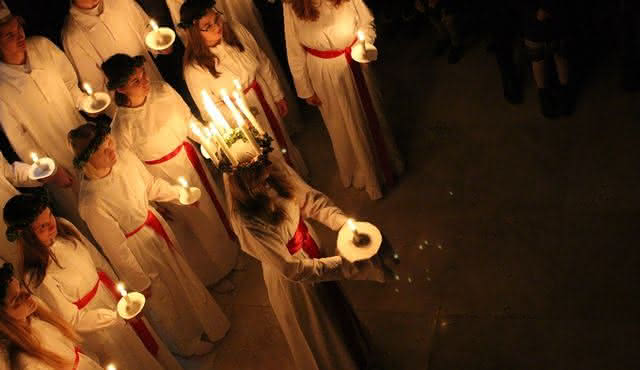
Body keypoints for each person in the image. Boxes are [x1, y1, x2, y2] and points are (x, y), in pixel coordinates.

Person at [68, 123, 230, 356]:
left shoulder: (123, 160)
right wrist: (139, 280)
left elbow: (151, 187)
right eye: (103, 151)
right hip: (137, 247)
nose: (112, 151)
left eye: (110, 144)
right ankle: (185, 342)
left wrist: (179, 195)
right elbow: (116, 248)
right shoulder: (91, 202)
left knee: (181, 277)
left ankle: (207, 321)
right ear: (87, 161)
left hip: (154, 226)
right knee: (163, 296)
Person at [224, 143, 385, 369]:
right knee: (320, 328)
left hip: (312, 250)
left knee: (335, 311)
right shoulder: (245, 219)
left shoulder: (270, 167)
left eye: (267, 169)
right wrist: (344, 264)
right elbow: (292, 269)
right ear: (246, 182)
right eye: (261, 177)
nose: (269, 175)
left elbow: (311, 202)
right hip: (294, 283)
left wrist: (344, 224)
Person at [103, 53, 239, 289]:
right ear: (121, 89)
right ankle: (213, 274)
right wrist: (155, 200)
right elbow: (132, 170)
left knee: (212, 207)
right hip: (163, 176)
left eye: (142, 74)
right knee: (193, 226)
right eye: (135, 81)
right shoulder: (122, 126)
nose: (144, 81)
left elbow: (187, 121)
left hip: (188, 158)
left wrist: (213, 142)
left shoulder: (163, 90)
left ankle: (231, 253)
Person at [2, 192, 181, 369]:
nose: (51, 226)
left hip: (111, 298)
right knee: (130, 359)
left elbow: (99, 263)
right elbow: (72, 319)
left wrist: (122, 297)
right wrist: (115, 317)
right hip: (98, 328)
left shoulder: (65, 228)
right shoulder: (36, 276)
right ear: (27, 237)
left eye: (50, 217)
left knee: (145, 347)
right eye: (42, 227)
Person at [284, 0, 403, 200]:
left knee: (371, 113)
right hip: (324, 73)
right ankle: (361, 172)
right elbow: (294, 49)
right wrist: (305, 88)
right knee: (341, 124)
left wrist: (364, 45)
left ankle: (385, 162)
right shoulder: (291, 6)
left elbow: (366, 21)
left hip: (356, 62)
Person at [180, 0, 308, 176]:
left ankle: (297, 172)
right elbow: (208, 109)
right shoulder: (194, 69)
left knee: (281, 137)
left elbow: (262, 61)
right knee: (266, 153)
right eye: (207, 26)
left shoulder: (236, 30)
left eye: (217, 19)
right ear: (194, 32)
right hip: (240, 116)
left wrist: (277, 94)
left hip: (262, 93)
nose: (217, 26)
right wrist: (239, 120)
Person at [0, 9, 88, 236]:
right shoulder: (2, 86)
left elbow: (70, 83)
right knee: (89, 218)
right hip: (59, 165)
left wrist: (84, 102)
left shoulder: (41, 46)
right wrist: (50, 171)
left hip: (86, 140)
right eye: (9, 35)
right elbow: (19, 137)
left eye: (18, 28)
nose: (19, 36)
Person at [62, 0, 168, 117]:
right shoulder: (73, 35)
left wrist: (159, 45)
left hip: (156, 84)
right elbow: (97, 89)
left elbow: (145, 28)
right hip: (130, 110)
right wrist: (125, 117)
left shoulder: (120, 2)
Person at [0, 262, 103, 369]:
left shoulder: (36, 319)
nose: (26, 294)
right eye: (16, 299)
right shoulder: (27, 362)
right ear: (3, 318)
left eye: (21, 287)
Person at [0, 152, 70, 271]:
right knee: (38, 271)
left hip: (25, 214)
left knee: (62, 261)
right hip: (6, 236)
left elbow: (7, 172)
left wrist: (36, 174)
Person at [522, 0, 571, 118]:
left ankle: (564, 90)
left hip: (560, 13)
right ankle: (544, 93)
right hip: (532, 16)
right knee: (538, 56)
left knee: (561, 52)